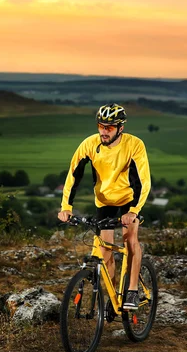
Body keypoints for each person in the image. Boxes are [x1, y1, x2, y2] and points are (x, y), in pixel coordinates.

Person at [57, 103, 151, 310]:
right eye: (101, 125)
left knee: (130, 240)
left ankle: (133, 290)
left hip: (128, 200)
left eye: (109, 127)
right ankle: (114, 295)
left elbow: (143, 182)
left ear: (120, 128)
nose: (103, 131)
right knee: (105, 250)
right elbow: (73, 175)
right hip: (104, 201)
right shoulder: (90, 144)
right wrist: (66, 207)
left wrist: (133, 211)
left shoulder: (134, 145)